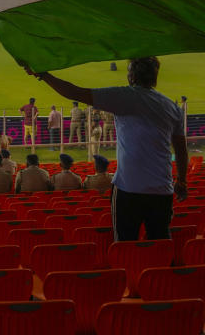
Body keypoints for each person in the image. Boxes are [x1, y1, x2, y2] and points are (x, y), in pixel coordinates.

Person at [30, 56, 188, 241]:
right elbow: (181, 149)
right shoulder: (171, 106)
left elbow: (75, 93)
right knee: (160, 244)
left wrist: (43, 75)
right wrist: (182, 181)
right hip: (162, 190)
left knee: (125, 246)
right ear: (154, 77)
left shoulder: (125, 96)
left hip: (129, 189)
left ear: (131, 76)